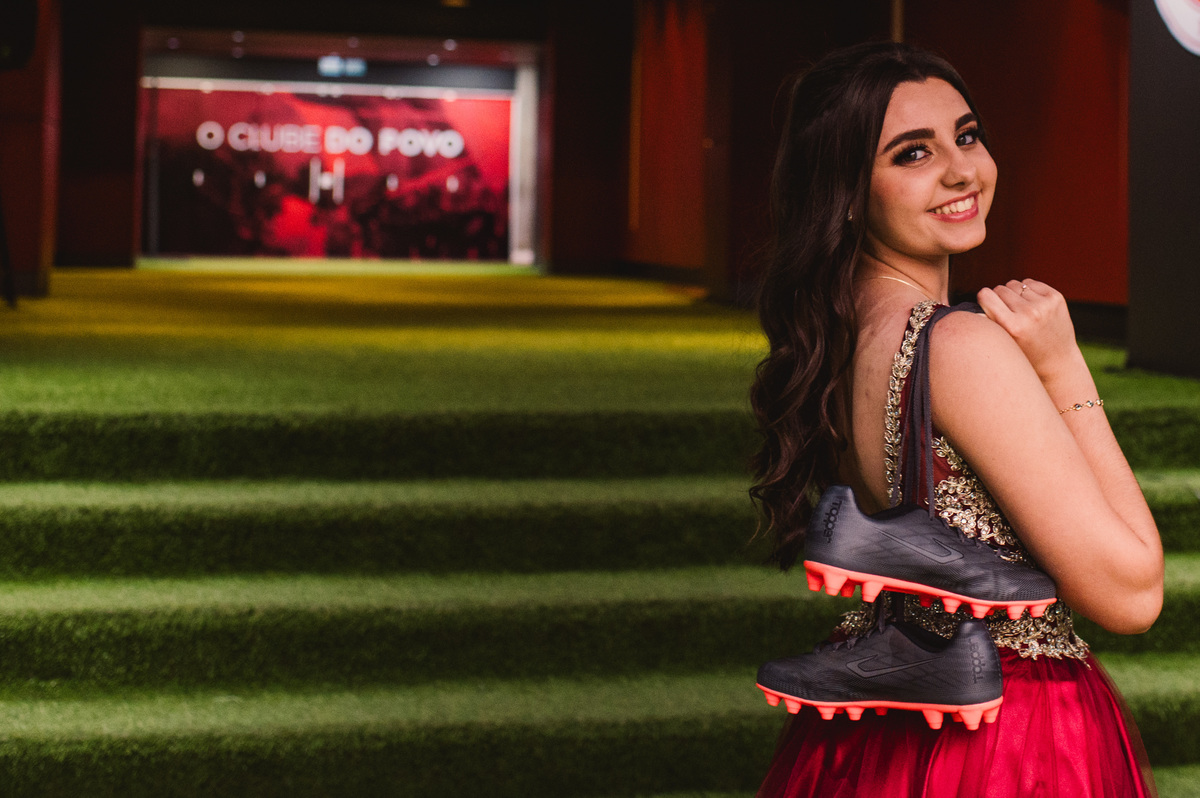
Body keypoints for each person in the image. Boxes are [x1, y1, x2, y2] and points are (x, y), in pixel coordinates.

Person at [749, 40, 1163, 797]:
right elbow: (1130, 595)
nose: (961, 170)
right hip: (1006, 734)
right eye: (913, 153)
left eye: (966, 136)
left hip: (870, 733)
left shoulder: (838, 341)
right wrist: (1064, 365)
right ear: (848, 189)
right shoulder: (961, 346)